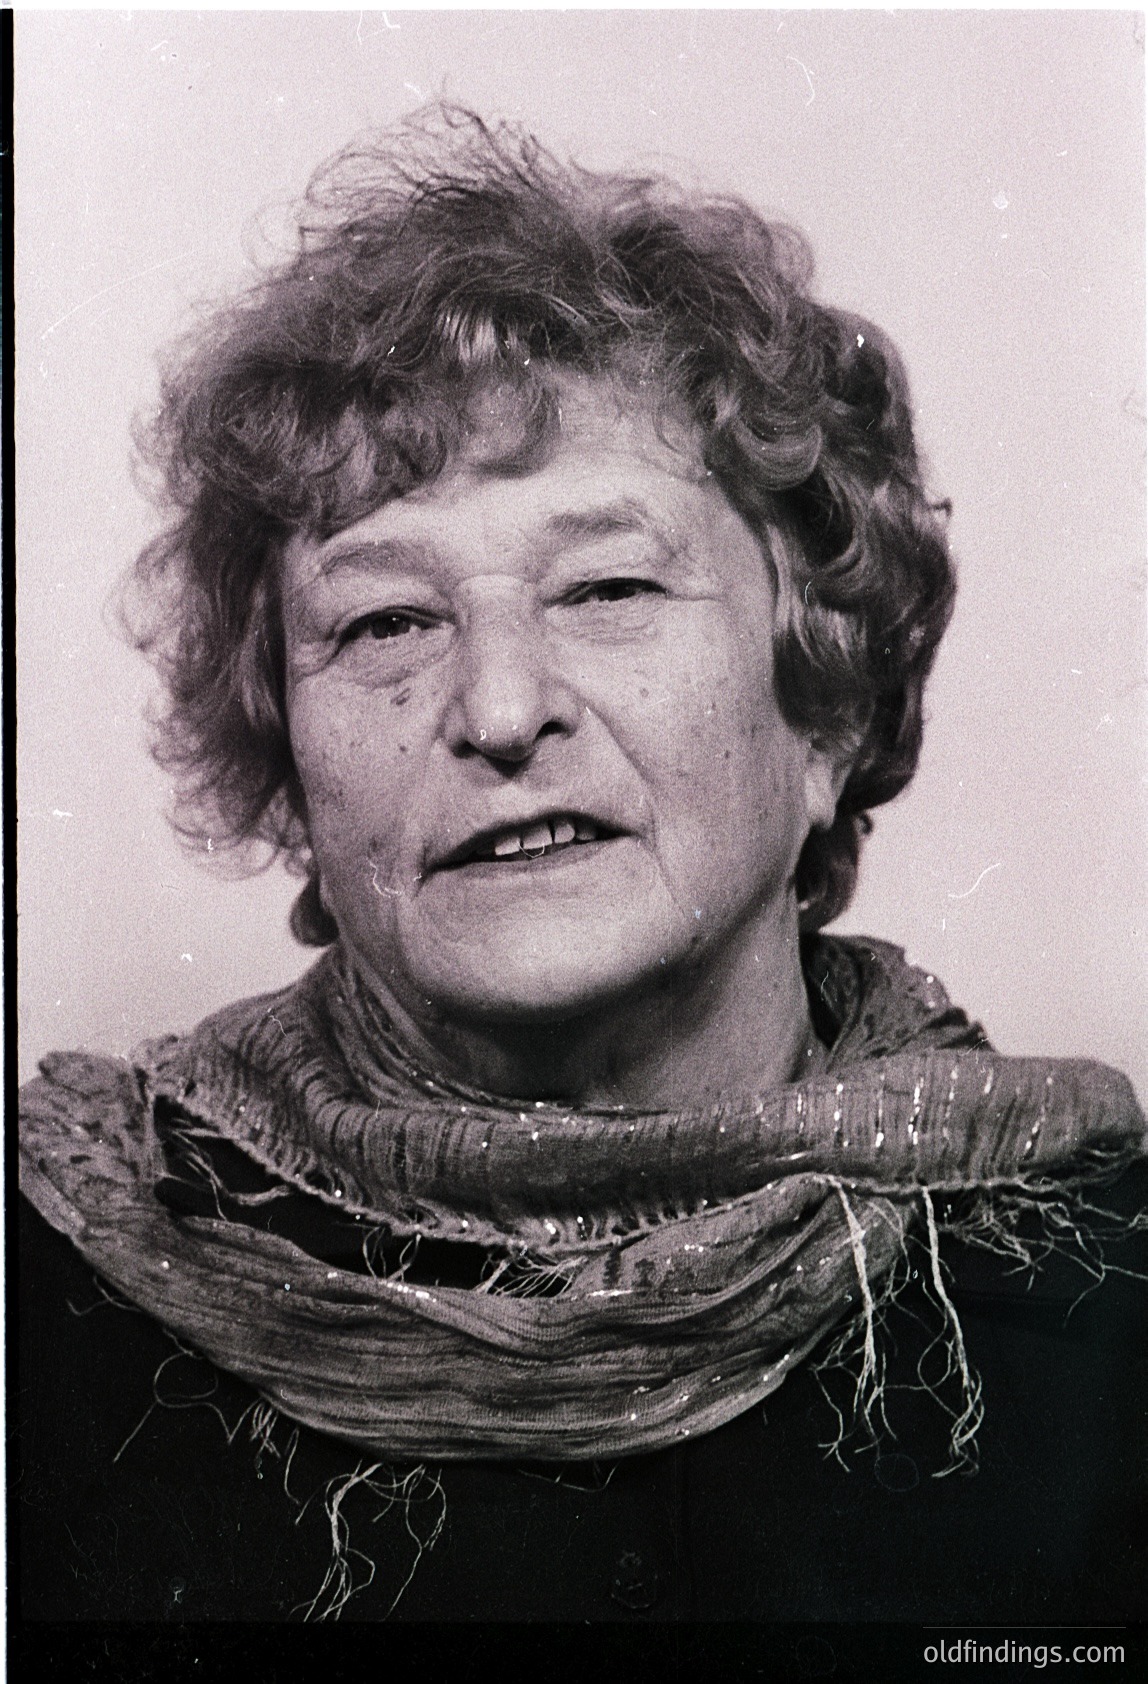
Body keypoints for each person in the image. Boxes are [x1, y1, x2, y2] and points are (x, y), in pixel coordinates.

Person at [18, 108, 1146, 1627]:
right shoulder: (45, 1310)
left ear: (821, 706)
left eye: (607, 586)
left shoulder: (1116, 1313)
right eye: (384, 622)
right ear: (289, 766)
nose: (497, 711)